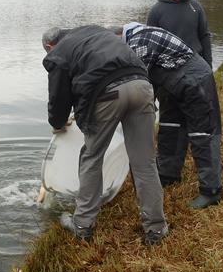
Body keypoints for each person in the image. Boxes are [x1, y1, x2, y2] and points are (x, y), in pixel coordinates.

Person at [41, 25, 169, 245]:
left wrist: (58, 123)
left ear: (49, 46)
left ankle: (83, 225)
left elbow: (58, 97)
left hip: (107, 94)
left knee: (92, 157)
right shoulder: (94, 31)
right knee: (145, 162)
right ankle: (156, 228)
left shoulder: (58, 53)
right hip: (142, 86)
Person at [117, 22, 222, 209]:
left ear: (119, 38)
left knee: (202, 134)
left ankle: (211, 190)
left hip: (195, 81)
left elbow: (137, 81)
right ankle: (168, 174)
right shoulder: (133, 38)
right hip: (172, 85)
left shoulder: (139, 41)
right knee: (170, 129)